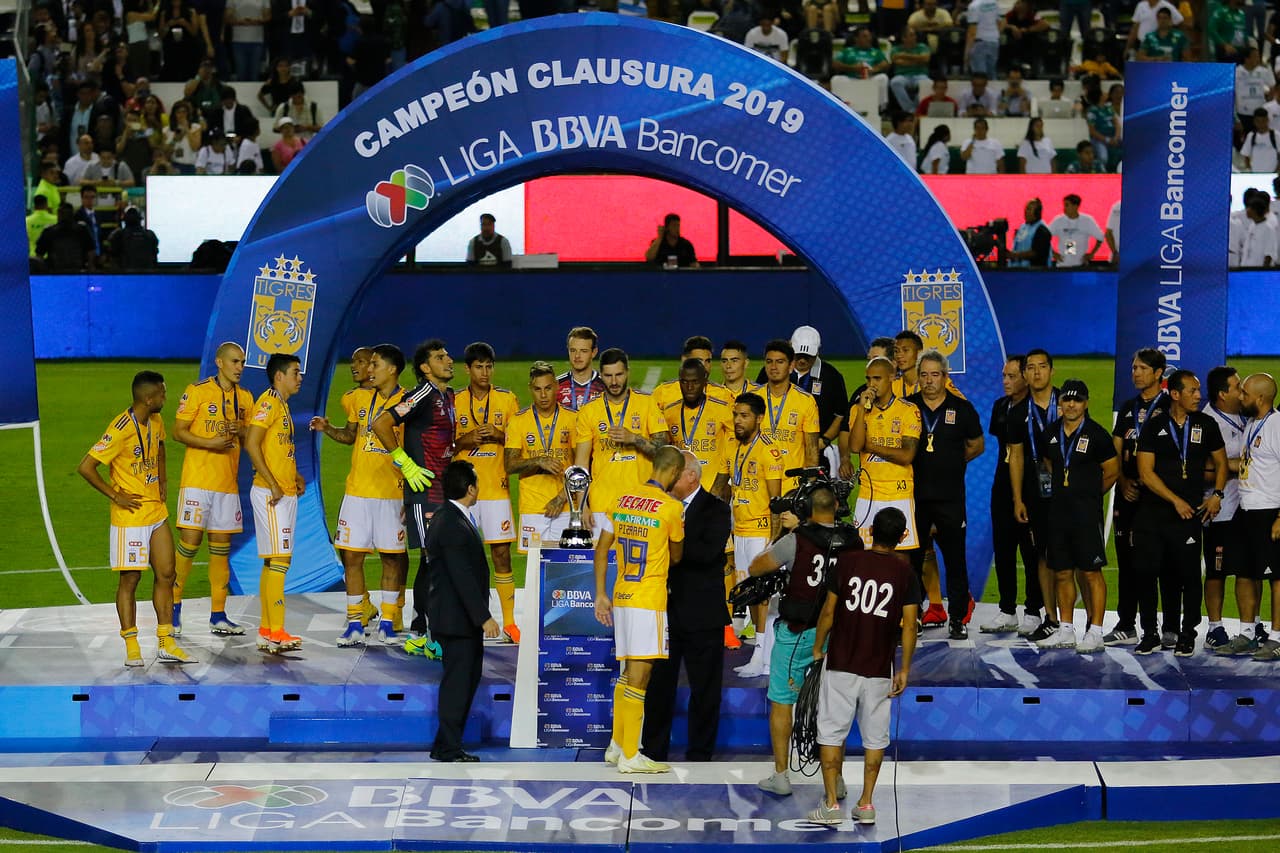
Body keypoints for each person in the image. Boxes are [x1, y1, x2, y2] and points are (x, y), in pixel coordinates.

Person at [807, 507, 919, 826]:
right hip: (879, 669)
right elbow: (909, 626)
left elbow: (828, 613)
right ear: (901, 537)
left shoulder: (848, 562)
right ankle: (866, 803)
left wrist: (818, 647)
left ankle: (830, 805)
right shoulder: (904, 574)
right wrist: (905, 669)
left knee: (830, 733)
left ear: (870, 531)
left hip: (841, 662)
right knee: (875, 739)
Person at [752, 482, 863, 800]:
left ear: (808, 510)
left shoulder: (797, 540)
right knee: (835, 706)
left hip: (799, 633)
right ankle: (837, 778)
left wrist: (788, 534)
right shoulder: (853, 540)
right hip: (839, 633)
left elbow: (758, 566)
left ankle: (782, 775)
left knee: (783, 701)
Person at [78, 371, 192, 666]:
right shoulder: (120, 429)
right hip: (130, 517)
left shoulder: (155, 421)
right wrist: (115, 495)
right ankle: (131, 646)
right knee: (130, 580)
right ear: (148, 398)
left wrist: (163, 480)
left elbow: (161, 446)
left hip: (155, 511)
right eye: (163, 394)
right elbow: (87, 466)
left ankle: (166, 641)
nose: (166, 398)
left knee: (167, 574)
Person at [314, 344, 412, 646]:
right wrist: (329, 429)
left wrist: (411, 494)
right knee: (351, 556)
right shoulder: (357, 398)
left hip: (391, 493)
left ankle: (387, 622)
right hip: (357, 492)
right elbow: (351, 436)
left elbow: (416, 449)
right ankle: (355, 622)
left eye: (375, 364)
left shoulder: (408, 402)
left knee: (392, 559)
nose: (369, 369)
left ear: (392, 369)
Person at [596, 444, 685, 774]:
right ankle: (632, 755)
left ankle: (617, 745)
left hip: (621, 595)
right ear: (673, 473)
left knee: (626, 673)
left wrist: (600, 594)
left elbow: (602, 548)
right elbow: (676, 556)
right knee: (640, 676)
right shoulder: (671, 507)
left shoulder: (621, 499)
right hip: (648, 598)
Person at [642, 450, 732, 762]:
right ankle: (653, 751)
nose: (668, 478)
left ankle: (700, 754)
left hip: (702, 614)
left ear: (691, 476)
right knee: (658, 689)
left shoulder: (717, 510)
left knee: (705, 690)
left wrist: (669, 548)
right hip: (663, 611)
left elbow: (707, 554)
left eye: (675, 473)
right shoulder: (661, 507)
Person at [1134, 370, 1227, 656]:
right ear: (1175, 394)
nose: (1199, 396)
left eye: (1199, 391)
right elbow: (1145, 473)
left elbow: (1221, 464)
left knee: (1188, 576)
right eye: (1192, 391)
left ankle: (1187, 634)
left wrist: (1218, 496)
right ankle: (1149, 633)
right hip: (1153, 514)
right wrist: (1175, 500)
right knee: (1148, 573)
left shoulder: (1207, 424)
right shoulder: (1154, 425)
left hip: (1190, 516)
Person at [373, 339, 454, 652]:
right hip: (426, 492)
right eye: (439, 357)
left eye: (447, 355)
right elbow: (381, 423)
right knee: (436, 561)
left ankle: (424, 625)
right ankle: (431, 637)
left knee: (434, 560)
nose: (448, 360)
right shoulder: (422, 393)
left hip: (442, 492)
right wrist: (405, 463)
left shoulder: (446, 397)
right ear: (425, 367)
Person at [170, 342, 254, 637]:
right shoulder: (198, 391)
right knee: (189, 544)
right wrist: (211, 443)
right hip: (197, 483)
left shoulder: (245, 398)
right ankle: (173, 608)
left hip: (227, 486)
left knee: (221, 550)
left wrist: (239, 430)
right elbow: (177, 431)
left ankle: (218, 615)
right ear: (219, 362)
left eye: (242, 362)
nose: (239, 367)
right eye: (234, 361)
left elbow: (253, 435)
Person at [425, 460, 502, 761]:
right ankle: (447, 747)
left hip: (457, 618)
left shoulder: (450, 517)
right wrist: (484, 617)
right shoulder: (452, 524)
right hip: (457, 620)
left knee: (465, 680)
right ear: (471, 489)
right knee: (459, 683)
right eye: (477, 483)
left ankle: (446, 743)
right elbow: (461, 576)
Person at [1037, 379, 1119, 653]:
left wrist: (1091, 495)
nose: (1071, 404)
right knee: (1061, 572)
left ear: (1086, 403)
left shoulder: (1097, 435)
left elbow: (1112, 471)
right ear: (1060, 403)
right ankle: (1066, 629)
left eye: (1078, 400)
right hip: (1058, 513)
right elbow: (1050, 464)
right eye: (1067, 400)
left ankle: (1095, 630)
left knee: (1091, 571)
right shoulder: (1050, 434)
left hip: (1086, 514)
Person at [906, 350, 983, 640]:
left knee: (955, 560)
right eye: (923, 374)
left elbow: (977, 445)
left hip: (951, 499)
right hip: (915, 499)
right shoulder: (908, 407)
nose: (928, 380)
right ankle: (911, 619)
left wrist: (952, 463)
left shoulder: (962, 409)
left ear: (945, 377)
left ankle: (958, 619)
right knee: (912, 561)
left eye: (934, 374)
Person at [453, 342, 521, 641]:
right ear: (467, 369)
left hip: (496, 489)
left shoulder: (507, 401)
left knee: (501, 554)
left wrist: (500, 434)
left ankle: (509, 622)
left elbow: (521, 442)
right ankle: (472, 618)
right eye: (478, 366)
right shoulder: (453, 401)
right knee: (464, 558)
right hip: (463, 494)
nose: (484, 372)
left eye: (489, 366)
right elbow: (442, 446)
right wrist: (464, 440)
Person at [1104, 349, 1170, 646]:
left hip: (1155, 498)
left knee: (1157, 563)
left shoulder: (1170, 406)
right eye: (1133, 368)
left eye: (1142, 368)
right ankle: (1127, 623)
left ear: (1158, 373)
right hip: (1127, 495)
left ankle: (1165, 626)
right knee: (1127, 560)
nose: (1135, 373)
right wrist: (1122, 479)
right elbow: (1115, 451)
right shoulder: (1128, 407)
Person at [243, 353, 305, 653]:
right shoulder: (267, 403)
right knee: (279, 562)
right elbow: (251, 443)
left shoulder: (282, 404)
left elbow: (278, 449)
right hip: (272, 494)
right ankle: (277, 630)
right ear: (279, 376)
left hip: (284, 491)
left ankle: (268, 630)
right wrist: (272, 482)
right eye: (295, 372)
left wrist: (295, 476)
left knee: (274, 561)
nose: (299, 377)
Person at [574, 347, 669, 532]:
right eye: (608, 376)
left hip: (641, 503)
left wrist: (633, 438)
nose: (614, 381)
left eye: (619, 374)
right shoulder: (589, 411)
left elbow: (663, 452)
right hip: (602, 505)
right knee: (602, 560)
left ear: (627, 372)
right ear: (600, 375)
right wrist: (581, 506)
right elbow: (581, 464)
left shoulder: (647, 403)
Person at [725, 392, 784, 677]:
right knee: (752, 595)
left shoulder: (768, 451)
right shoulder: (735, 447)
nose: (738, 420)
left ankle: (761, 656)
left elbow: (776, 501)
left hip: (761, 531)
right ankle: (766, 655)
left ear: (759, 419)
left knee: (763, 595)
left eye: (744, 415)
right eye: (736, 414)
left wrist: (773, 541)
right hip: (742, 530)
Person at [981, 355, 1041, 634]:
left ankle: (1033, 610)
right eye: (1004, 376)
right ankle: (1007, 609)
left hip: (1031, 486)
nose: (1006, 381)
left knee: (1031, 551)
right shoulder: (1000, 406)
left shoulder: (1037, 408)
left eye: (1012, 376)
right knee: (1003, 549)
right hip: (1002, 484)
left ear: (1026, 377)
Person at [1223, 373, 1280, 659]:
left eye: (1244, 393)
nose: (1240, 397)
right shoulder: (1253, 425)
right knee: (1243, 572)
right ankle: (1247, 633)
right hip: (1245, 509)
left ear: (1260, 398)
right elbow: (1248, 462)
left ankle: (1277, 638)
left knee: (1277, 577)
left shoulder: (1277, 426)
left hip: (1269, 511)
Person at [1007, 348, 1061, 641]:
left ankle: (1081, 622)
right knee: (1042, 554)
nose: (1037, 372)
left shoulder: (1069, 402)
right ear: (1025, 374)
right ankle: (1050, 616)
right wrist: (1017, 498)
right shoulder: (1017, 412)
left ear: (1052, 370)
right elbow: (1015, 456)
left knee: (1073, 558)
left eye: (1042, 366)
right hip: (1035, 492)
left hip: (1067, 493)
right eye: (1031, 368)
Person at [843, 356, 922, 551]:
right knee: (864, 551)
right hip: (868, 493)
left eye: (877, 379)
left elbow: (906, 456)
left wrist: (870, 445)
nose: (871, 384)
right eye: (868, 379)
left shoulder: (908, 411)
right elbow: (854, 446)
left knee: (900, 554)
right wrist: (862, 409)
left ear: (892, 378)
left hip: (898, 492)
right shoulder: (857, 410)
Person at [505, 361, 578, 554]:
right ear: (530, 389)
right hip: (532, 507)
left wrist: (562, 498)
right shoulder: (518, 421)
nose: (543, 395)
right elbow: (510, 465)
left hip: (566, 506)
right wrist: (538, 460)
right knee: (534, 570)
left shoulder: (574, 419)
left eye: (548, 388)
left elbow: (582, 466)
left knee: (564, 565)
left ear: (556, 386)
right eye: (537, 389)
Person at [1202, 366, 1247, 651]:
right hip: (1220, 511)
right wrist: (1240, 467)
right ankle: (1214, 627)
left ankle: (1250, 627)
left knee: (1249, 571)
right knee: (1217, 572)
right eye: (1237, 386)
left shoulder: (1247, 415)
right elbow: (1202, 470)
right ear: (1222, 394)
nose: (1242, 391)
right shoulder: (1208, 422)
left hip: (1248, 508)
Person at [753, 338, 821, 493]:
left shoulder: (806, 401)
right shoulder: (753, 399)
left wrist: (809, 488)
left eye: (780, 362)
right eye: (769, 362)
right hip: (758, 483)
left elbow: (812, 450)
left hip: (792, 487)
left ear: (791, 366)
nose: (774, 367)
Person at [785, 326, 849, 477]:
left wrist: (824, 440)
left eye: (807, 356)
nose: (801, 360)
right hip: (781, 451)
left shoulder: (831, 376)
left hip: (817, 453)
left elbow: (841, 414)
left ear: (818, 351)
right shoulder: (774, 371)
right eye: (798, 354)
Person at [652, 335, 736, 412]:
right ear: (684, 360)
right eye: (699, 361)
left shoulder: (724, 395)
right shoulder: (662, 393)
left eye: (708, 361)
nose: (704, 366)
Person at [832, 28, 891, 114]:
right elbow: (835, 64)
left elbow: (885, 64)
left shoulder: (875, 51)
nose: (868, 39)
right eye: (864, 36)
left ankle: (881, 108)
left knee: (883, 78)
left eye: (869, 36)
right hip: (851, 78)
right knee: (836, 79)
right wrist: (853, 68)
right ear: (856, 39)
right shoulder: (847, 51)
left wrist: (873, 69)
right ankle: (839, 108)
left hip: (870, 79)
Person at [35, 202, 95, 272]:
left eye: (66, 213)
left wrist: (90, 267)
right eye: (62, 213)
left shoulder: (81, 229)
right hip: (58, 271)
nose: (64, 216)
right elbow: (39, 254)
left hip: (74, 271)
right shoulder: (49, 231)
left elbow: (91, 250)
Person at [557, 326, 606, 411]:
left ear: (594, 352)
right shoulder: (555, 385)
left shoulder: (605, 386)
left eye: (583, 351)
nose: (577, 356)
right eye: (573, 350)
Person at [1049, 194, 1104, 267]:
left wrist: (1092, 253)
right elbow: (1044, 237)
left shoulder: (1087, 220)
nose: (1064, 208)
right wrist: (1052, 253)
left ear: (1075, 206)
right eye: (1064, 205)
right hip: (1062, 265)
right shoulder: (1058, 220)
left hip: (1081, 265)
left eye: (1067, 205)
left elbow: (1100, 237)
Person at [889, 27, 931, 114]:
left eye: (914, 35)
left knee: (928, 84)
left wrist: (904, 55)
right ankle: (910, 110)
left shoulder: (922, 47)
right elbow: (897, 61)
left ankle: (916, 109)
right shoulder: (895, 49)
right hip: (902, 75)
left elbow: (925, 59)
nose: (914, 37)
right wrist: (917, 60)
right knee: (895, 82)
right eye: (911, 35)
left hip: (920, 75)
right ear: (904, 38)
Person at [107, 206, 160, 270]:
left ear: (124, 220)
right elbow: (155, 255)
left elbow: (112, 255)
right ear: (140, 220)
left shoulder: (118, 235)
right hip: (147, 276)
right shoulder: (150, 235)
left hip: (125, 276)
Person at [964, 0, 1003, 79]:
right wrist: (995, 34)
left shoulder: (974, 6)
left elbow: (972, 32)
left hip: (979, 43)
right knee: (991, 74)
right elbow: (1002, 21)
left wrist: (966, 53)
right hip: (994, 42)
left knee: (980, 76)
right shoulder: (994, 3)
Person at [1008, 198, 1052, 267]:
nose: (1025, 211)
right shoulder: (1022, 227)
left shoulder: (1042, 230)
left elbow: (1036, 253)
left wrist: (1014, 255)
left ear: (1037, 213)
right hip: (1018, 271)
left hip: (1035, 273)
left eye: (1029, 209)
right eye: (1025, 208)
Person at [1240, 109, 1279, 174]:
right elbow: (1246, 155)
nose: (1261, 124)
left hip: (1272, 174)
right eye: (1258, 121)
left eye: (1263, 121)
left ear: (1267, 120)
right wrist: (1250, 169)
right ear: (1254, 121)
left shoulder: (1276, 135)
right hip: (1255, 174)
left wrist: (1276, 171)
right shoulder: (1251, 136)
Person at [26, 195, 57, 261]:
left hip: (33, 257)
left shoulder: (27, 221)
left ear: (34, 205)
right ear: (46, 204)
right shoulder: (55, 219)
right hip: (51, 257)